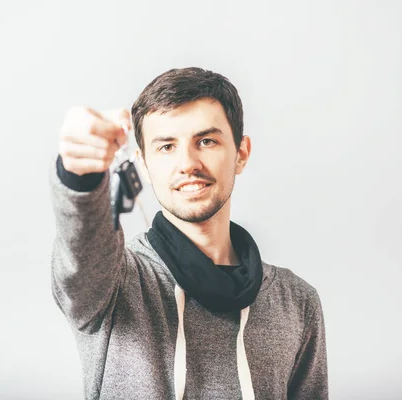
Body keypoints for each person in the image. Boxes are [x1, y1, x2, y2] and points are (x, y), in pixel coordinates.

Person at [49, 67, 328, 400]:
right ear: (144, 164)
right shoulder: (115, 284)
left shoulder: (297, 302)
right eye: (166, 147)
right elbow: (81, 259)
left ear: (241, 153)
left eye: (206, 141)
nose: (187, 163)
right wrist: (78, 175)